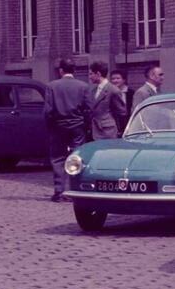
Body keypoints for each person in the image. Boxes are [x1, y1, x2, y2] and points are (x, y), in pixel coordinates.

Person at [44, 58, 92, 202]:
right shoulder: (83, 86)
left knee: (58, 158)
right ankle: (76, 189)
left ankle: (59, 191)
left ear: (61, 71)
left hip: (58, 125)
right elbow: (89, 108)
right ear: (74, 70)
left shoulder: (52, 86)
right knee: (76, 157)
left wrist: (50, 126)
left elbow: (48, 110)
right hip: (77, 125)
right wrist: (86, 125)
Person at [88, 61, 126, 141]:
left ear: (98, 74)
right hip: (95, 130)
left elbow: (121, 112)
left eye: (91, 74)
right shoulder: (93, 90)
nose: (89, 77)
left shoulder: (113, 90)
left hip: (108, 131)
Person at [109, 69, 130, 135]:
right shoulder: (109, 93)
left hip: (128, 122)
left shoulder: (131, 92)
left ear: (124, 80)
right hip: (115, 123)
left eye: (118, 78)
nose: (115, 81)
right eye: (113, 79)